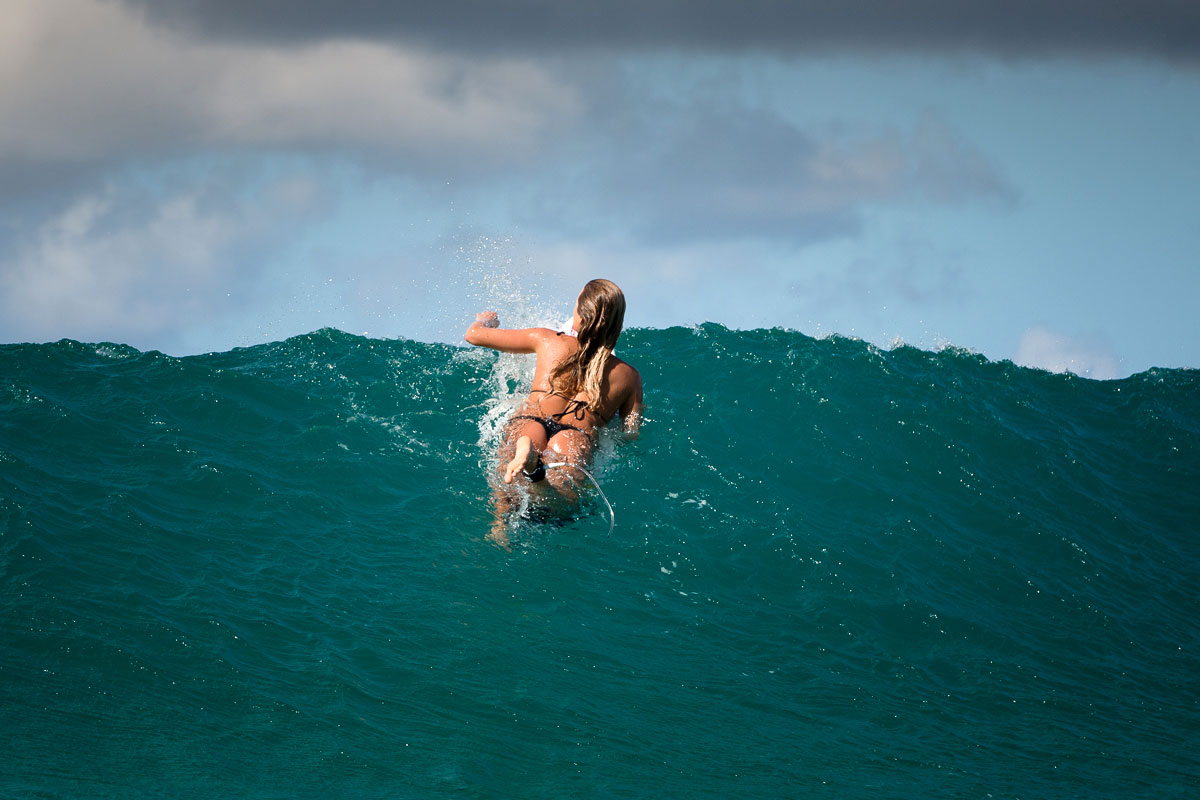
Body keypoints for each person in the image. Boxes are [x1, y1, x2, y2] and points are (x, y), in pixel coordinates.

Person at [464, 279, 643, 544]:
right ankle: (537, 472)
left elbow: (473, 335)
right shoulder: (628, 377)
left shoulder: (547, 339)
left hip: (531, 419)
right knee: (560, 503)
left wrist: (484, 320)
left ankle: (499, 523)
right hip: (575, 435)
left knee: (507, 485)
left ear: (580, 315)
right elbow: (630, 434)